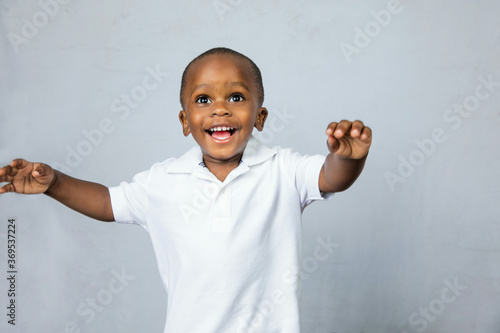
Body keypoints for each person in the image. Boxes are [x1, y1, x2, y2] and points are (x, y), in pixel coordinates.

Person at [0, 47, 372, 332]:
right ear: (185, 121)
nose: (220, 110)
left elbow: (329, 176)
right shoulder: (165, 181)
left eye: (237, 97)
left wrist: (349, 159)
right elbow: (109, 202)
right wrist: (56, 183)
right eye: (203, 99)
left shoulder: (283, 169)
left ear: (259, 117)